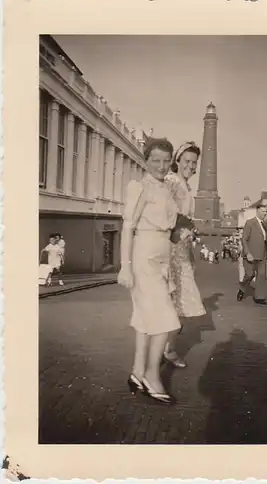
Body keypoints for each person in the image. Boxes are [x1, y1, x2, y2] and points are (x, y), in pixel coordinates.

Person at [117, 137, 182, 405]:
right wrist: (125, 267)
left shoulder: (166, 189)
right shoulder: (139, 187)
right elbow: (128, 228)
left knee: (145, 317)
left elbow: (168, 226)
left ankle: (137, 372)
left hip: (161, 258)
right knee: (166, 319)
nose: (161, 165)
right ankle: (152, 376)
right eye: (156, 160)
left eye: (166, 161)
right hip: (143, 258)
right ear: (146, 161)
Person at [163, 142, 206, 368]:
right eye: (187, 161)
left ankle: (167, 348)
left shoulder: (184, 185)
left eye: (194, 162)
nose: (190, 165)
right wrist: (181, 229)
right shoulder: (172, 182)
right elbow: (165, 214)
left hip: (181, 249)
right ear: (177, 161)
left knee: (176, 302)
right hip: (172, 249)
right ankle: (164, 350)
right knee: (172, 300)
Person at [237, 203, 267, 305]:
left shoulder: (265, 224)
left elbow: (265, 240)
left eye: (266, 212)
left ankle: (260, 297)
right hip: (250, 255)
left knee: (261, 276)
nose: (264, 213)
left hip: (262, 255)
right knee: (249, 274)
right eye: (262, 211)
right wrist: (248, 253)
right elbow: (244, 239)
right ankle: (242, 289)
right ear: (257, 211)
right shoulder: (250, 223)